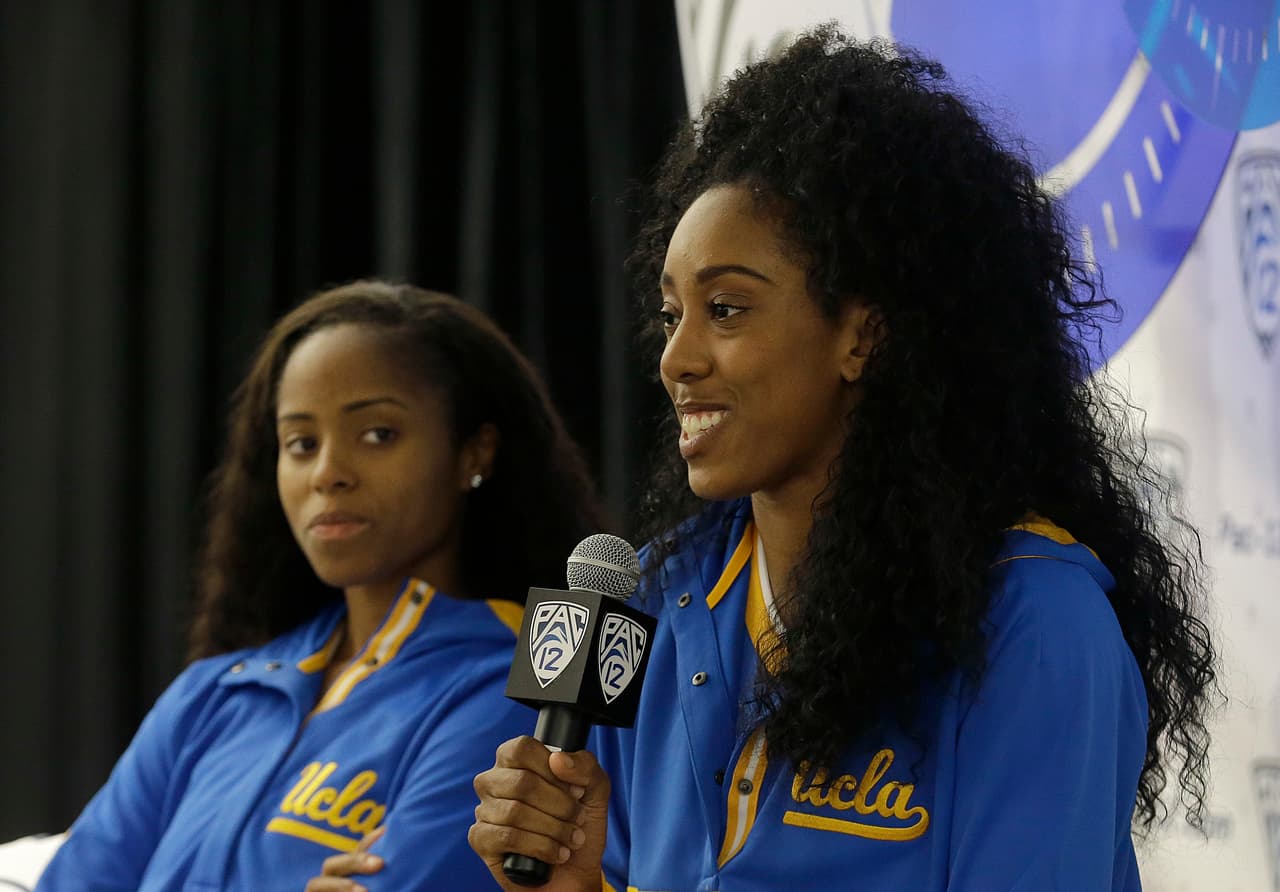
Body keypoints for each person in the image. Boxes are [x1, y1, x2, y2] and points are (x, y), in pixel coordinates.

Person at [465, 26, 1218, 892]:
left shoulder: (1033, 619)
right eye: (672, 314)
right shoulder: (652, 597)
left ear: (864, 334)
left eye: (729, 309)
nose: (676, 359)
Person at [36, 280, 607, 891]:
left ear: (475, 452)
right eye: (301, 443)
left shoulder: (524, 687)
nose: (328, 473)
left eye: (377, 434)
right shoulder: (213, 692)